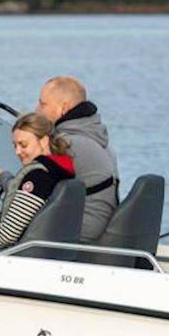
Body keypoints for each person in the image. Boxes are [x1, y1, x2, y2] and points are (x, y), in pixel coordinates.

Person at [0, 113, 75, 253]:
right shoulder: (57, 172)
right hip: (48, 253)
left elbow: (8, 234)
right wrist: (2, 177)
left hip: (22, 256)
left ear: (43, 141)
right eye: (15, 146)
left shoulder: (38, 178)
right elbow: (25, 194)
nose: (17, 152)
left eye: (23, 145)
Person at [35, 75, 119, 243]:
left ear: (63, 109)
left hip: (78, 232)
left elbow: (33, 190)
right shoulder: (96, 139)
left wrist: (3, 179)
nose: (37, 110)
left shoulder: (66, 145)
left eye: (42, 104)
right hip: (97, 225)